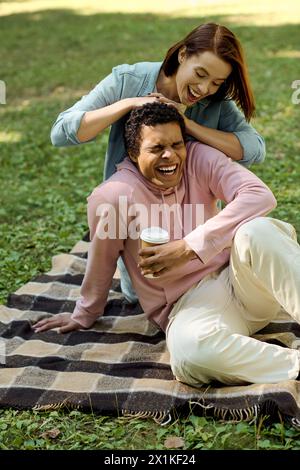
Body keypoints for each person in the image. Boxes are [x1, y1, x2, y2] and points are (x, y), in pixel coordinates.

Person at [35, 102, 300, 386]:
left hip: (243, 278)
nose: (170, 155)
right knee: (190, 355)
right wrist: (86, 312)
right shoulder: (112, 197)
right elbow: (103, 259)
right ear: (134, 152)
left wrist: (189, 246)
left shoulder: (199, 158)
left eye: (177, 144)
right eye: (156, 148)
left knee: (258, 231)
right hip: (191, 306)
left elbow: (260, 195)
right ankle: (293, 366)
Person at [50, 22, 266, 304]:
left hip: (203, 251)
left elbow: (254, 149)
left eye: (216, 83)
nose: (203, 88)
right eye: (200, 74)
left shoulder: (216, 104)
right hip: (145, 252)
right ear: (183, 55)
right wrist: (129, 104)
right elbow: (62, 132)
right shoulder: (129, 79)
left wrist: (187, 124)